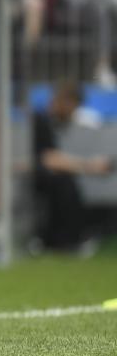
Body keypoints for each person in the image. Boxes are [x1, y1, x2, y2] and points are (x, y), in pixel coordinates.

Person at [32, 80, 115, 252]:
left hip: (41, 173)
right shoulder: (39, 121)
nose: (72, 113)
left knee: (64, 180)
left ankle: (62, 240)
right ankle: (64, 241)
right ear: (66, 101)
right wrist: (88, 166)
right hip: (27, 174)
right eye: (73, 107)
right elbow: (49, 159)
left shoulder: (48, 123)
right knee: (63, 182)